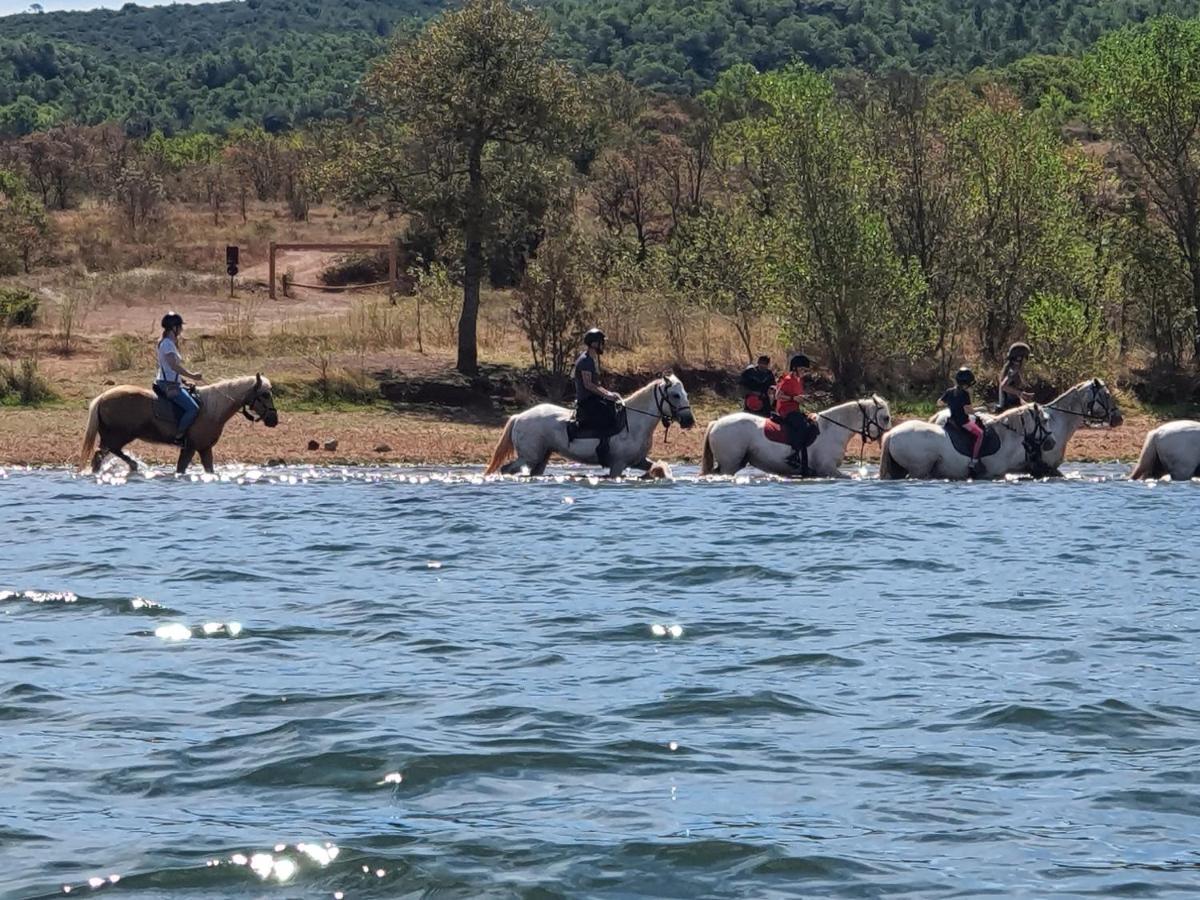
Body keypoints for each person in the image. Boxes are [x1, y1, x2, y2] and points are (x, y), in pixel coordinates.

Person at [572, 328, 623, 466]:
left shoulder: (591, 359)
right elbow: (588, 385)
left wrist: (610, 394)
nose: (603, 345)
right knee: (607, 414)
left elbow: (596, 385)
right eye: (601, 343)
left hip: (593, 398)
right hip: (587, 401)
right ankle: (602, 448)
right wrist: (607, 395)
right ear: (594, 344)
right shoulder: (585, 361)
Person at [156, 311, 203, 445]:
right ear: (174, 328)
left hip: (171, 381)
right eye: (180, 327)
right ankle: (179, 437)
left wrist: (183, 381)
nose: (182, 330)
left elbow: (169, 368)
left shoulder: (167, 343)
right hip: (167, 384)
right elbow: (173, 366)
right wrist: (192, 375)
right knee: (193, 409)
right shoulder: (167, 344)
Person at [940, 366, 983, 474]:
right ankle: (974, 461)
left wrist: (952, 404)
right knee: (980, 434)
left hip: (951, 420)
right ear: (967, 383)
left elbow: (939, 402)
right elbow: (968, 411)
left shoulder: (949, 391)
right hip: (963, 422)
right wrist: (979, 410)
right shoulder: (965, 394)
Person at [775, 353, 813, 472]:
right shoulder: (787, 379)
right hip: (786, 410)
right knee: (802, 427)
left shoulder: (798, 380)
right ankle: (794, 455)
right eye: (802, 369)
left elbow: (797, 396)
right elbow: (778, 396)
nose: (804, 372)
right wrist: (793, 399)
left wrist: (805, 398)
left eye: (805, 370)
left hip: (795, 409)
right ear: (795, 368)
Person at [996, 341, 1034, 412]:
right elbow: (1003, 386)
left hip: (1013, 406)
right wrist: (1020, 393)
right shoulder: (1013, 370)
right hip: (1010, 408)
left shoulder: (1013, 369)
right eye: (1026, 357)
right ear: (1019, 358)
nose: (1027, 360)